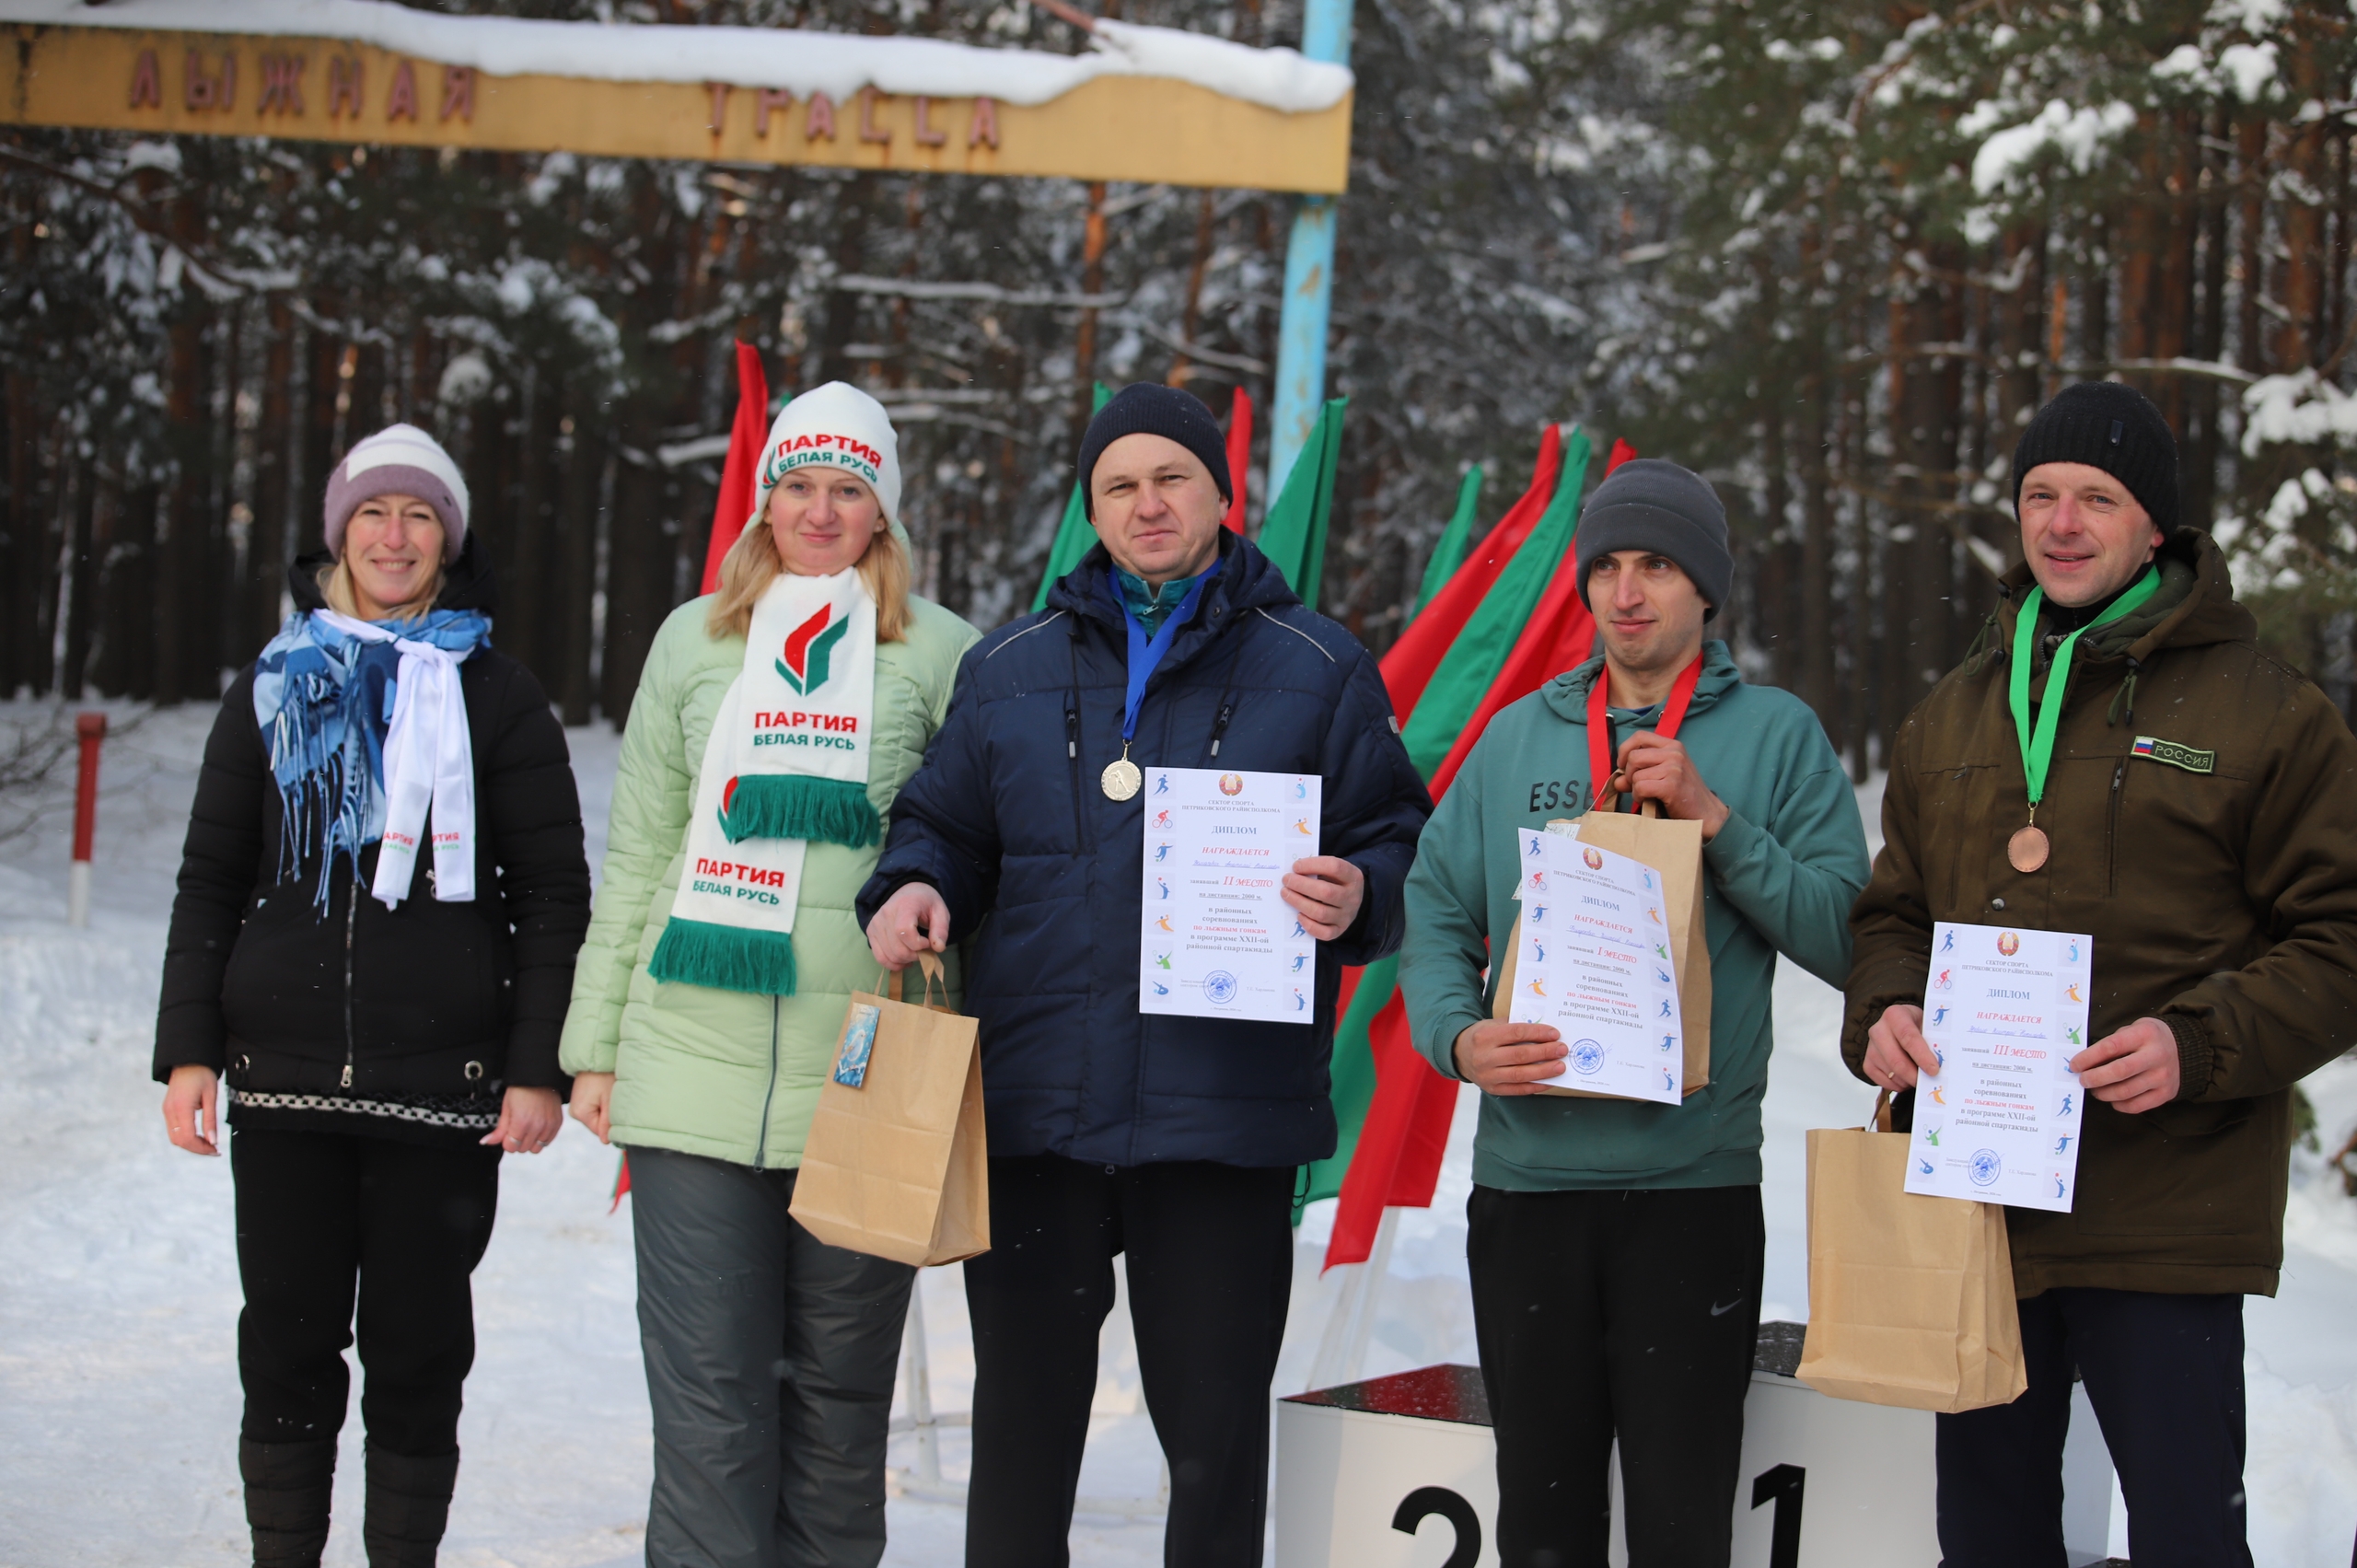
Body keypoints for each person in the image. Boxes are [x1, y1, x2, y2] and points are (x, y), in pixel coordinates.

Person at [856, 382, 1430, 1568]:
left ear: (1223, 493)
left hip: (1219, 1117)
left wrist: (1360, 893)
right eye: (1118, 483)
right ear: (1091, 507)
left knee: (1213, 1444)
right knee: (1020, 1437)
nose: (1147, 502)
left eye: (1172, 476)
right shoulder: (1011, 664)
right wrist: (916, 885)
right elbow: (943, 826)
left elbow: (1393, 840)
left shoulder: (1316, 662)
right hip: (1036, 1113)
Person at [1846, 380, 2357, 1567]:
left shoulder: (2265, 711)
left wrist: (2202, 1039)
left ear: (2154, 527)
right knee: (1987, 1538)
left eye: (2095, 498)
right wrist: (1884, 1009)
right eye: (2039, 495)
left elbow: (2341, 933)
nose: (2061, 523)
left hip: (2161, 1215)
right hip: (1981, 1211)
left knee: (2183, 1539)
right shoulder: (1954, 712)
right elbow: (1894, 915)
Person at [1399, 458, 1868, 1568]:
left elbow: (1851, 934)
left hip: (1689, 1195)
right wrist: (1459, 1038)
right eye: (1606, 566)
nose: (1627, 591)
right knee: (1546, 1527)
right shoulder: (1517, 739)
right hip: (1529, 1196)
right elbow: (1430, 911)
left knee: (1679, 1521)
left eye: (1656, 564)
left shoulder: (1777, 736)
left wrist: (1716, 819)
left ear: (1705, 589)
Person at [154, 423, 591, 1568]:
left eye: (417, 516)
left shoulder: (499, 696)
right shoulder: (272, 684)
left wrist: (535, 1062)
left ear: (446, 541)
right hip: (282, 1079)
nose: (393, 537)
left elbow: (551, 893)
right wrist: (189, 1047)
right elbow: (211, 876)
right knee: (286, 1350)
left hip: (442, 1092)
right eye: (372, 513)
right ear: (338, 531)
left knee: (415, 1357)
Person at [559, 382, 978, 1568]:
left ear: (883, 509)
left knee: (839, 1417)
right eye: (799, 483)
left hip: (865, 1077)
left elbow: (975, 850)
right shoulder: (692, 640)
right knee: (708, 1409)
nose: (820, 509)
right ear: (765, 499)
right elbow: (640, 848)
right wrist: (596, 1042)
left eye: (849, 488)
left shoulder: (941, 652)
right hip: (690, 1070)